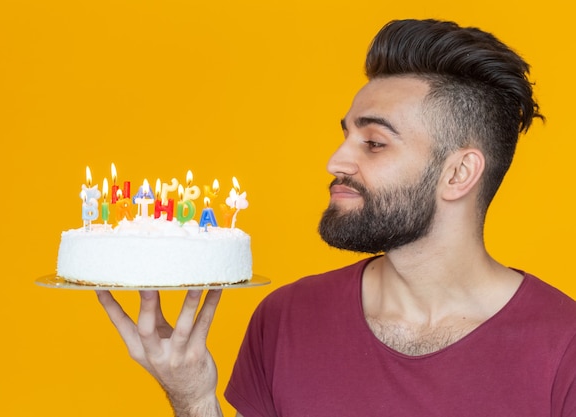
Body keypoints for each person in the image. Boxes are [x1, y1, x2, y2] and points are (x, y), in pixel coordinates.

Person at [96, 18, 576, 417]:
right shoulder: (286, 318)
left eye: (373, 143)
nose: (336, 161)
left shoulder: (563, 347)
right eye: (346, 135)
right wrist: (193, 395)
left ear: (458, 173)